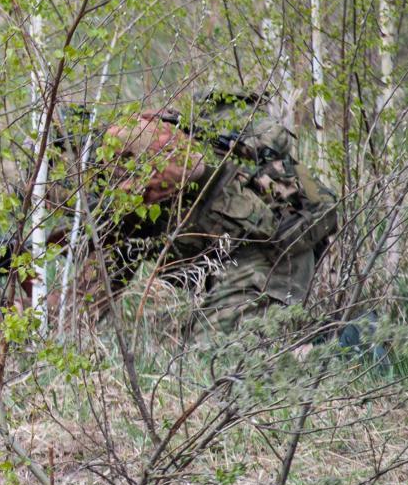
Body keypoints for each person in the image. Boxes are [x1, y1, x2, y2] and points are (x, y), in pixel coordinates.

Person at [46, 92, 339, 333]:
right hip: (234, 260)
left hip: (271, 254)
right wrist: (44, 324)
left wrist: (123, 198)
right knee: (200, 348)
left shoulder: (123, 139)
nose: (55, 205)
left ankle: (344, 344)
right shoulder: (115, 207)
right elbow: (89, 293)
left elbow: (189, 163)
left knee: (221, 354)